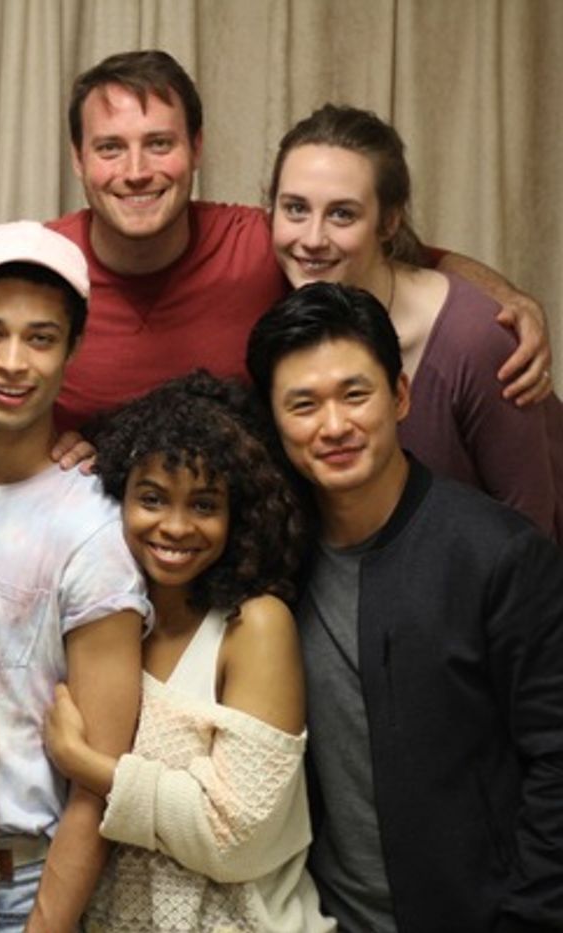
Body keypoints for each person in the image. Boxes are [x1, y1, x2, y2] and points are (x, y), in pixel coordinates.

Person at [0, 50, 551, 431]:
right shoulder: (40, 269)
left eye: (159, 144)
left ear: (196, 148)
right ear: (78, 160)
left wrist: (511, 300)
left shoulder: (267, 243)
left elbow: (405, 256)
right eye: (110, 148)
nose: (136, 171)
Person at [246, 282, 563, 931]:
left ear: (400, 396)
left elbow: (556, 760)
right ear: (274, 423)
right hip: (322, 918)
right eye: (303, 404)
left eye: (355, 394)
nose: (334, 426)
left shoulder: (497, 554)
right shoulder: (274, 557)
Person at [0, 221, 150, 932]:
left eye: (40, 339)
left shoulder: (94, 524)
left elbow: (98, 777)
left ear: (73, 348)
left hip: (18, 887)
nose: (12, 362)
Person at [40, 372, 333, 931]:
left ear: (237, 514)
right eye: (152, 499)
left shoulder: (255, 625)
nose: (175, 527)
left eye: (203, 504)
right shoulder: (103, 621)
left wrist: (87, 766)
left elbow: (235, 839)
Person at [269, 102, 563, 540]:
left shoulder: (473, 338)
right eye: (295, 208)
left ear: (389, 222)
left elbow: (531, 532)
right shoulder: (283, 300)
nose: (312, 239)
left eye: (342, 213)